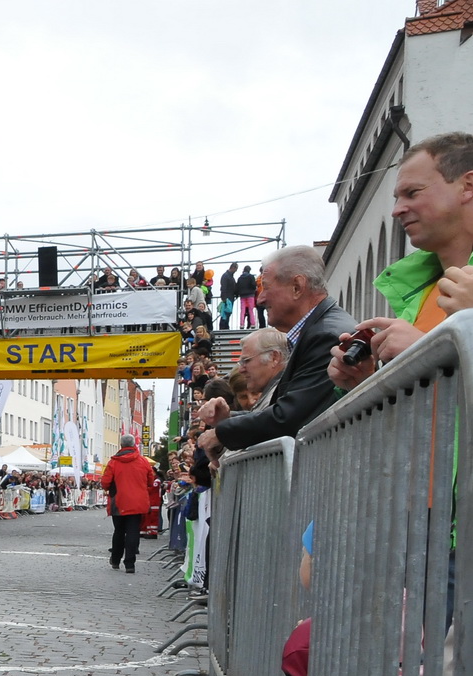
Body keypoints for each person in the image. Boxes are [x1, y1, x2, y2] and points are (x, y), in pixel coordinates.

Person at [327, 132, 472, 393]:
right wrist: (366, 383)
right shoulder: (420, 292)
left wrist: (427, 353)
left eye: (412, 193)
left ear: (468, 186)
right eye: (397, 197)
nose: (396, 209)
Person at [197, 248, 354, 452]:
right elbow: (286, 410)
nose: (260, 299)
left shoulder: (326, 337)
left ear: (297, 287)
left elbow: (289, 418)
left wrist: (222, 432)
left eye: (266, 287)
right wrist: (229, 419)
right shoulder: (318, 331)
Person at [100, 434, 154, 573]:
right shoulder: (143, 461)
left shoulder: (114, 462)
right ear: (134, 445)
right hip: (138, 502)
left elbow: (105, 482)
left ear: (121, 445)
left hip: (119, 501)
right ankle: (130, 564)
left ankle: (116, 560)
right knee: (133, 531)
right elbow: (150, 481)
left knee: (119, 531)